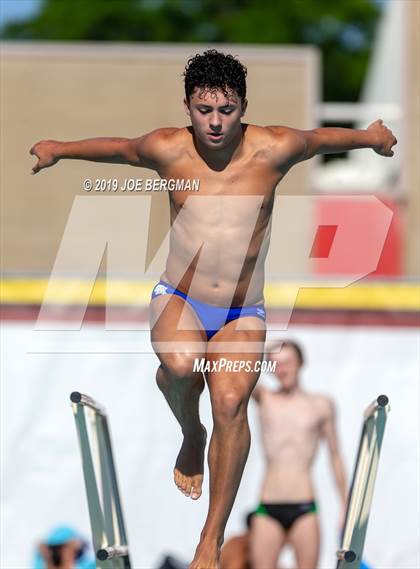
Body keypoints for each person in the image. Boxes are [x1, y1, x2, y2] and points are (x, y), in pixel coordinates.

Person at [30, 50, 396, 569]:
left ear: (243, 106)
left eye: (226, 110)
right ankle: (190, 432)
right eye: (204, 110)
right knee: (180, 364)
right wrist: (59, 150)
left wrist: (372, 137)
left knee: (229, 403)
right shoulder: (168, 149)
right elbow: (119, 148)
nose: (216, 122)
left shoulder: (274, 148)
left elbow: (321, 139)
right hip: (180, 297)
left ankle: (211, 537)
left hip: (242, 311)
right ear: (188, 106)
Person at [250, 340, 348, 569]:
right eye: (275, 365)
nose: (282, 369)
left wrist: (345, 506)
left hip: (304, 507)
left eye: (287, 362)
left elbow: (335, 456)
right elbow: (239, 369)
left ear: (300, 363)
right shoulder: (265, 399)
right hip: (268, 506)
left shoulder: (321, 405)